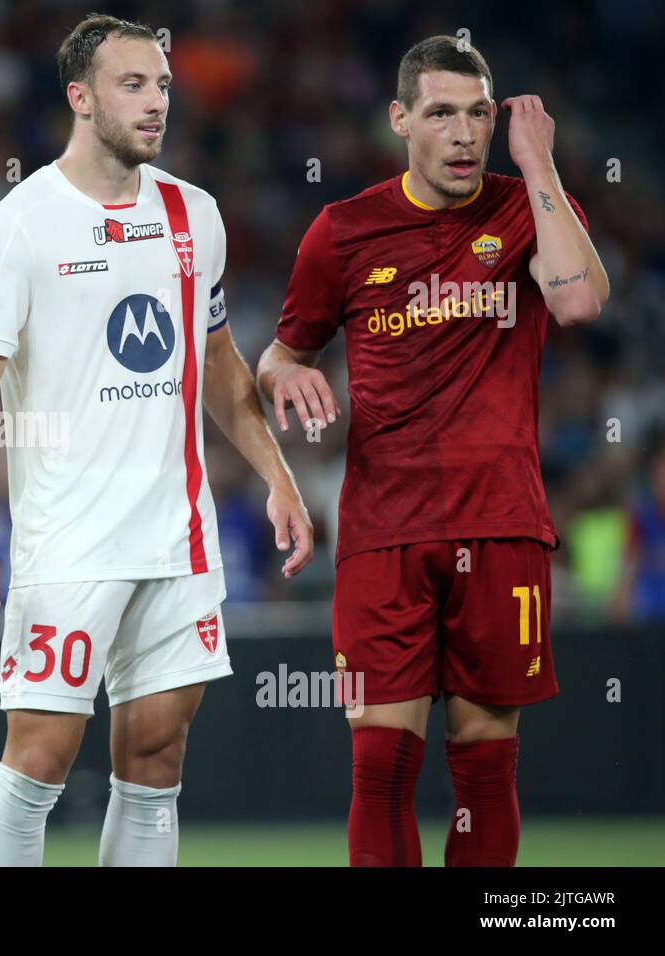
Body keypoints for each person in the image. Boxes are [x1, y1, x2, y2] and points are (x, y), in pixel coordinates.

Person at [0, 14, 312, 867]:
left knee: (155, 763)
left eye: (164, 86)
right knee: (37, 762)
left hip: (178, 537)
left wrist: (277, 477)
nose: (156, 104)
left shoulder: (195, 215)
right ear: (80, 97)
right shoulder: (19, 224)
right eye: (132, 85)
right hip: (68, 538)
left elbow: (218, 365)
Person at [257, 35, 608, 866]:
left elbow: (583, 303)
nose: (462, 133)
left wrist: (539, 166)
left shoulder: (528, 209)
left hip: (501, 525)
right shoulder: (342, 231)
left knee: (486, 771)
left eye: (478, 114)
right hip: (383, 532)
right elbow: (284, 350)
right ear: (400, 120)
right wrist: (284, 377)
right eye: (441, 113)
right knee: (379, 771)